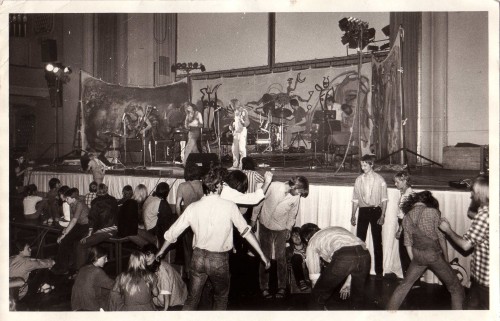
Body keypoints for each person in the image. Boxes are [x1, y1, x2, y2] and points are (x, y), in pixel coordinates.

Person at [155, 168, 271, 310]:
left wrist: (160, 251)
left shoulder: (193, 207)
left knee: (192, 299)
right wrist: (262, 254)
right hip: (218, 259)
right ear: (218, 187)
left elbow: (173, 232)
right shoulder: (229, 206)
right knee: (221, 298)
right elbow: (246, 232)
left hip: (197, 257)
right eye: (221, 184)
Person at [386, 191, 464, 310]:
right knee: (455, 287)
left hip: (417, 255)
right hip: (433, 255)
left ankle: (387, 315)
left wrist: (416, 261)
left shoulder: (407, 216)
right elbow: (442, 238)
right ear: (428, 201)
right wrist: (447, 261)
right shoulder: (432, 212)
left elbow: (407, 243)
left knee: (404, 285)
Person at [255, 176, 309, 299]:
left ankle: (282, 287)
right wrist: (253, 219)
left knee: (281, 259)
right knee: (265, 257)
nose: (299, 195)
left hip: (281, 229)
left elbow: (292, 213)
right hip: (265, 225)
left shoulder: (296, 197)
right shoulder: (274, 186)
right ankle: (264, 287)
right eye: (299, 191)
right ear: (294, 186)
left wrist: (289, 228)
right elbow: (259, 201)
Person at [439, 175, 489, 309]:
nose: (471, 195)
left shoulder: (485, 215)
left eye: (473, 191)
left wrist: (448, 230)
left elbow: (466, 245)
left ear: (480, 193)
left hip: (485, 281)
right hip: (482, 279)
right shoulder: (487, 211)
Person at [300, 223, 370, 310]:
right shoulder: (336, 228)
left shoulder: (312, 241)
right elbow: (354, 257)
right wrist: (348, 283)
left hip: (344, 256)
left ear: (306, 239)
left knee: (317, 295)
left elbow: (314, 275)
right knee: (357, 297)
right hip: (365, 254)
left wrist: (317, 293)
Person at [351, 154, 388, 279]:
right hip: (363, 211)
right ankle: (360, 270)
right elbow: (355, 199)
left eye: (365, 165)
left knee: (378, 242)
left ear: (371, 165)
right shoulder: (358, 180)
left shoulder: (380, 180)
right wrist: (353, 214)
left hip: (376, 211)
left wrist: (382, 215)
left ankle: (379, 272)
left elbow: (384, 200)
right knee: (359, 241)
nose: (363, 167)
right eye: (361, 165)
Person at [76, 183, 118, 269]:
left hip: (104, 231)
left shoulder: (95, 202)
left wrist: (89, 234)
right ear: (106, 190)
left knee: (81, 244)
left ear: (97, 191)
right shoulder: (113, 200)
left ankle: (81, 271)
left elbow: (92, 219)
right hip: (115, 229)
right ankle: (89, 267)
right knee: (87, 242)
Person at [52, 188, 90, 275]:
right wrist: (65, 231)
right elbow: (72, 220)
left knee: (65, 240)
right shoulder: (71, 204)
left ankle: (63, 267)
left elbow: (74, 220)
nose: (66, 200)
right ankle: (62, 265)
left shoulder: (79, 204)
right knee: (64, 240)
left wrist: (64, 234)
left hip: (86, 226)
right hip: (79, 225)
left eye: (67, 198)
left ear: (73, 198)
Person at [175, 164, 204, 277]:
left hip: (188, 220)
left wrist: (180, 218)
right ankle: (200, 272)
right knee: (200, 247)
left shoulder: (182, 186)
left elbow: (177, 206)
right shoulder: (204, 185)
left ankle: (188, 272)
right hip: (201, 220)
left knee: (187, 248)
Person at [143, 243, 188, 310]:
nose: (146, 258)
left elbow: (166, 291)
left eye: (148, 255)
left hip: (175, 301)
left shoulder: (162, 269)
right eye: (144, 256)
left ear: (156, 255)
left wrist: (165, 310)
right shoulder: (154, 265)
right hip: (165, 297)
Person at [71, 246, 114, 311]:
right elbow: (113, 285)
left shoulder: (83, 268)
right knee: (115, 294)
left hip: (76, 306)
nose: (107, 260)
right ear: (96, 258)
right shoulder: (97, 271)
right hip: (90, 307)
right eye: (104, 258)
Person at [393, 171, 414, 277]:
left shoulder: (408, 195)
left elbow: (407, 215)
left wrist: (400, 230)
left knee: (405, 253)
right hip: (403, 223)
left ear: (404, 181)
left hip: (405, 224)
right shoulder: (405, 193)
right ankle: (409, 278)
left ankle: (411, 279)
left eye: (397, 182)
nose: (395, 184)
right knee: (405, 253)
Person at [143, 182, 176, 248]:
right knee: (173, 222)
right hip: (152, 229)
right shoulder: (161, 202)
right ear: (166, 193)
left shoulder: (150, 197)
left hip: (147, 225)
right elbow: (168, 215)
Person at [286, 227, 310, 292]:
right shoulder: (288, 250)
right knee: (296, 257)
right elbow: (283, 263)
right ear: (290, 238)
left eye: (298, 234)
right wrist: (287, 264)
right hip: (297, 275)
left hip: (309, 271)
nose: (296, 237)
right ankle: (301, 282)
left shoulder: (309, 247)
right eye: (293, 235)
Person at [229, 99, 250, 169]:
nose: (230, 106)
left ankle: (242, 166)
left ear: (234, 104)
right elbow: (233, 121)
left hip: (242, 131)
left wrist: (243, 122)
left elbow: (247, 122)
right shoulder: (235, 112)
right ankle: (235, 165)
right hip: (236, 132)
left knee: (242, 149)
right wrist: (231, 126)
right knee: (234, 149)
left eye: (231, 105)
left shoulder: (243, 111)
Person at [183, 102, 203, 167]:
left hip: (196, 132)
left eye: (189, 107)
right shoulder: (188, 115)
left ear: (192, 106)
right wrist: (188, 125)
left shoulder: (198, 113)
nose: (188, 109)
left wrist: (196, 124)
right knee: (194, 149)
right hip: (190, 132)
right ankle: (200, 162)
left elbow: (201, 124)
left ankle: (185, 163)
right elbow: (185, 124)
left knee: (188, 147)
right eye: (187, 108)